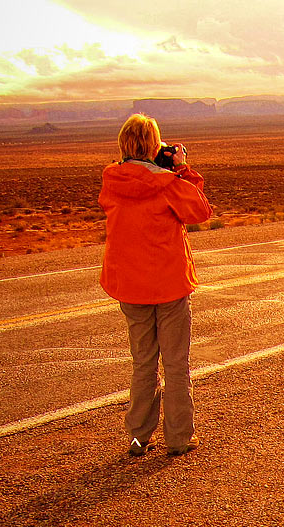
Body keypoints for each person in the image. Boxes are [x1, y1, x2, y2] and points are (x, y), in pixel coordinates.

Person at [99, 113, 211, 457]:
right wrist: (182, 168)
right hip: (169, 284)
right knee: (176, 362)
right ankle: (178, 439)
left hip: (130, 286)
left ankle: (138, 437)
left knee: (142, 360)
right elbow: (200, 211)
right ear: (153, 145)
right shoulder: (169, 184)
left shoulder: (111, 181)